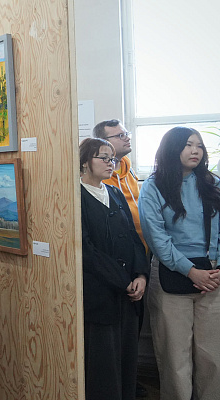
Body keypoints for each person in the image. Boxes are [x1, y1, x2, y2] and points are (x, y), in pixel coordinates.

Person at [139, 127, 220, 400]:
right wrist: (191, 271)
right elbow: (157, 239)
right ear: (172, 149)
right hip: (171, 274)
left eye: (199, 145)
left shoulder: (213, 183)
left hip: (213, 276)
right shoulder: (154, 186)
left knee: (213, 356)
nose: (195, 150)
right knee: (175, 357)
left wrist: (216, 269)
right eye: (187, 145)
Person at [80, 137, 149, 400]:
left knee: (126, 358)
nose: (111, 163)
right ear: (85, 161)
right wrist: (122, 281)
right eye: (104, 158)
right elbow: (86, 249)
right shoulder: (76, 196)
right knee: (103, 364)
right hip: (101, 293)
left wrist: (141, 275)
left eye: (113, 159)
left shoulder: (115, 193)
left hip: (129, 293)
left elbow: (133, 237)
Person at [93, 119, 145, 246]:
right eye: (120, 135)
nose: (127, 138)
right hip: (120, 246)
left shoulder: (128, 168)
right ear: (103, 142)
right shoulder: (99, 176)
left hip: (143, 243)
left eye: (126, 134)